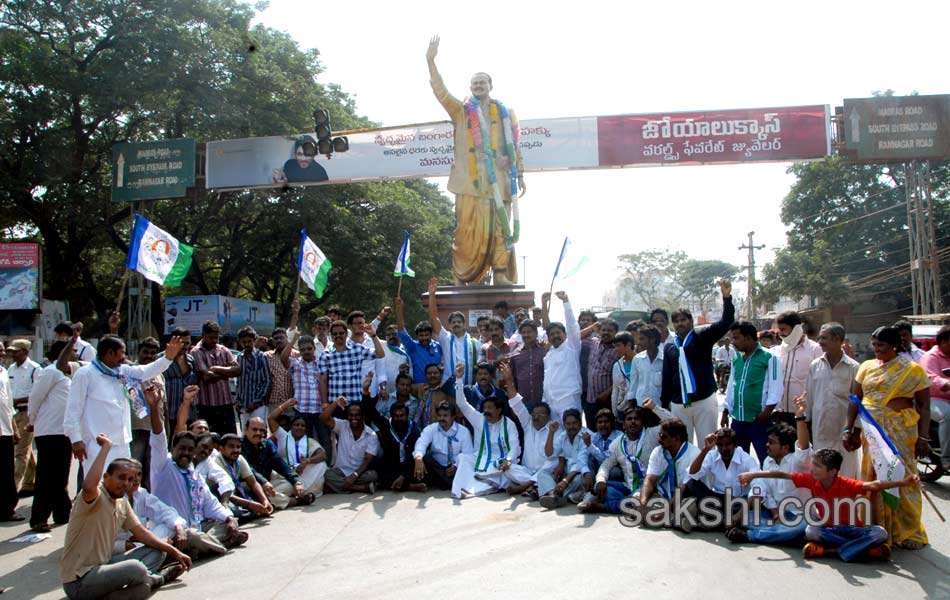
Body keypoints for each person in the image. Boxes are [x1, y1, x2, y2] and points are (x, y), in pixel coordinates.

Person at [427, 35, 525, 285]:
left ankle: (501, 275)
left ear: (490, 85)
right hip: (468, 184)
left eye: (482, 82)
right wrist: (431, 61)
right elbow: (441, 92)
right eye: (474, 83)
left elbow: (514, 147)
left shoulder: (504, 113)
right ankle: (461, 277)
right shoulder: (461, 111)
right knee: (465, 231)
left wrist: (520, 174)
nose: (478, 86)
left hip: (500, 183)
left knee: (501, 229)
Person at [60, 434, 191, 600]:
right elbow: (87, 485)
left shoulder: (121, 502)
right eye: (120, 478)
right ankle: (156, 579)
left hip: (105, 567)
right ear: (107, 477)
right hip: (80, 580)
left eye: (130, 479)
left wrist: (174, 551)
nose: (126, 483)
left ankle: (132, 587)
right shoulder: (95, 496)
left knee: (157, 551)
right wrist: (106, 447)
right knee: (136, 569)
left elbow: (142, 534)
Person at [738, 448, 920, 562]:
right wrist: (754, 475)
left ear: (832, 471)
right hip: (828, 530)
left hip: (849, 529)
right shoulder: (812, 480)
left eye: (818, 466)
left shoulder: (846, 483)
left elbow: (874, 485)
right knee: (811, 531)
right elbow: (781, 475)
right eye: (814, 465)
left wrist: (904, 483)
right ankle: (861, 550)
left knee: (880, 532)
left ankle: (832, 551)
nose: (813, 469)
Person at [843, 325, 930, 550]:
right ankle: (875, 527)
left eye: (880, 345)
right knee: (872, 476)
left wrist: (924, 438)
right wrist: (849, 428)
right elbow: (855, 399)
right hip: (872, 432)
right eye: (874, 345)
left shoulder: (913, 370)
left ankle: (908, 531)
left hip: (900, 431)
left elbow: (923, 405)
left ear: (895, 345)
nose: (876, 349)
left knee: (903, 478)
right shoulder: (866, 367)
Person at [146, 384, 247, 553]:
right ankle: (218, 547)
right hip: (173, 530)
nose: (185, 453)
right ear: (173, 449)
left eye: (189, 450)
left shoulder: (194, 475)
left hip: (198, 527)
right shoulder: (164, 465)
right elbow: (158, 438)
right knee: (193, 535)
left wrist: (229, 518)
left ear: (194, 453)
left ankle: (202, 548)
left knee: (225, 520)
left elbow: (211, 504)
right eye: (182, 449)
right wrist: (154, 407)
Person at [64, 334, 182, 477]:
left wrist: (167, 358)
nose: (124, 357)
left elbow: (145, 371)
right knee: (97, 488)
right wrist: (76, 440)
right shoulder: (85, 374)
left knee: (122, 489)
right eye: (122, 353)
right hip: (97, 444)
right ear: (110, 353)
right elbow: (72, 410)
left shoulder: (122, 371)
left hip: (122, 443)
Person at [726, 397, 812, 545]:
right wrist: (775, 513)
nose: (766, 445)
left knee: (802, 527)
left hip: (798, 515)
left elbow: (803, 447)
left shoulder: (797, 461)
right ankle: (779, 534)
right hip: (775, 514)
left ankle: (753, 536)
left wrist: (800, 416)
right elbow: (766, 493)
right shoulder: (768, 461)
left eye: (771, 443)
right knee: (748, 516)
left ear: (785, 447)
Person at [661, 279, 734, 446]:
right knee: (682, 446)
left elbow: (726, 322)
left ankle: (708, 474)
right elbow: (667, 377)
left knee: (707, 445)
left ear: (691, 322)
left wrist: (727, 297)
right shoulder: (670, 347)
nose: (680, 324)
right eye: (676, 321)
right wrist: (665, 405)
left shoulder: (703, 336)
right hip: (679, 403)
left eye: (683, 320)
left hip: (704, 400)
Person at [580, 400, 671, 514]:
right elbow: (606, 465)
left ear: (642, 423)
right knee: (599, 488)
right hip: (628, 486)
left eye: (636, 419)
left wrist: (654, 408)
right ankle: (631, 505)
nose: (633, 422)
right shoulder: (617, 443)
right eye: (629, 419)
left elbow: (673, 422)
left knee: (636, 500)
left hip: (650, 486)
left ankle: (604, 507)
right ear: (623, 425)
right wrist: (600, 481)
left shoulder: (652, 435)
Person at [451, 368, 525, 498]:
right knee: (464, 458)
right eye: (485, 408)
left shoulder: (509, 424)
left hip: (501, 462)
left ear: (499, 410)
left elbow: (514, 446)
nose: (486, 411)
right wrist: (458, 379)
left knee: (507, 471)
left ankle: (473, 491)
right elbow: (462, 403)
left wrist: (508, 460)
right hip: (482, 458)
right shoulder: (479, 419)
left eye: (490, 408)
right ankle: (460, 490)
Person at [28, 340, 76, 531]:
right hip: (49, 431)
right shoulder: (50, 372)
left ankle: (62, 513)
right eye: (72, 352)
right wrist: (32, 421)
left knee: (60, 476)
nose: (74, 356)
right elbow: (36, 397)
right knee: (47, 477)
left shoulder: (68, 375)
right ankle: (39, 518)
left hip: (63, 432)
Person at [720, 321, 782, 464]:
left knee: (766, 460)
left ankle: (766, 486)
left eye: (736, 338)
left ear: (747, 338)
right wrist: (725, 410)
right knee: (738, 461)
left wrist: (767, 412)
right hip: (738, 420)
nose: (733, 342)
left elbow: (776, 387)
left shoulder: (769, 357)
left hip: (759, 420)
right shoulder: (737, 359)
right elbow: (731, 386)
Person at [804, 322, 861, 478]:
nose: (820, 342)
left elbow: (858, 402)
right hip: (820, 430)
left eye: (824, 338)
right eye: (819, 338)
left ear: (837, 340)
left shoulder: (854, 368)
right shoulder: (815, 366)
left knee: (845, 473)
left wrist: (856, 432)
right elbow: (808, 397)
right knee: (821, 472)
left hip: (844, 433)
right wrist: (806, 425)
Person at [500, 362, 558, 498]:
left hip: (544, 472)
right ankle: (533, 485)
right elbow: (516, 403)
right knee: (508, 468)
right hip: (526, 472)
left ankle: (525, 487)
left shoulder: (554, 429)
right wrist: (509, 380)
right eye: (534, 414)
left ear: (548, 417)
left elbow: (553, 458)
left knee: (552, 464)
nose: (535, 417)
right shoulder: (528, 423)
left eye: (540, 415)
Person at [683, 428, 759, 531]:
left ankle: (708, 520)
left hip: (737, 502)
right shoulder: (712, 455)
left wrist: (741, 512)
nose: (724, 448)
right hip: (716, 500)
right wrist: (705, 449)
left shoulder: (746, 460)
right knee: (691, 483)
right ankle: (715, 520)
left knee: (752, 507)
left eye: (728, 444)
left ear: (734, 444)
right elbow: (693, 473)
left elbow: (758, 487)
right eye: (720, 445)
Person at [360, 377, 425, 492]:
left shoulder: (413, 429)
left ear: (407, 415)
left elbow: (413, 457)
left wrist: (403, 476)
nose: (399, 418)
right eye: (396, 416)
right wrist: (366, 391)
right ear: (391, 416)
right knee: (376, 467)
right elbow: (370, 410)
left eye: (402, 415)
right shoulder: (386, 425)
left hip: (407, 465)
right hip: (390, 465)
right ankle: (408, 486)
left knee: (420, 467)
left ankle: (401, 483)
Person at [636, 418, 701, 530]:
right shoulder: (658, 451)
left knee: (690, 505)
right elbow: (650, 480)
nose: (659, 440)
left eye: (663, 436)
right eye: (660, 435)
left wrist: (665, 512)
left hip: (684, 497)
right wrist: (643, 503)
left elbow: (685, 488)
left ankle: (668, 518)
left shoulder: (694, 454)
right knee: (637, 498)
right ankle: (674, 520)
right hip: (664, 498)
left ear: (676, 438)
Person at [242, 416, 314, 508]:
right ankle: (294, 501)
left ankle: (268, 500)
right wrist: (263, 482)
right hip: (248, 485)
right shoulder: (239, 446)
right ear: (246, 429)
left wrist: (296, 482)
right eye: (254, 429)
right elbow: (249, 470)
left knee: (291, 485)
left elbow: (280, 463)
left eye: (261, 430)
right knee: (256, 493)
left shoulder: (267, 444)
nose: (258, 433)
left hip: (267, 483)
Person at [771, 311, 823, 426]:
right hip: (780, 413)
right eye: (779, 330)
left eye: (784, 329)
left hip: (804, 414)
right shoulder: (778, 351)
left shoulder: (815, 350)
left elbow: (820, 383)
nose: (781, 334)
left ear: (796, 328)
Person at [267, 399, 328, 497]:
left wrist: (307, 461)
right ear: (291, 427)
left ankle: (300, 491)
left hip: (303, 473)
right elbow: (271, 419)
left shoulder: (309, 442)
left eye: (303, 426)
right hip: (286, 473)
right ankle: (301, 493)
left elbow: (323, 455)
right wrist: (285, 405)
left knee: (321, 464)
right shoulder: (283, 436)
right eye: (297, 425)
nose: (300, 427)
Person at [190, 320, 241, 434]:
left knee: (229, 437)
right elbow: (207, 377)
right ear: (203, 335)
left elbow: (237, 370)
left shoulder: (223, 349)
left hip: (225, 403)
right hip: (206, 405)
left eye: (216, 338)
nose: (214, 341)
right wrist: (227, 372)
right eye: (211, 337)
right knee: (208, 440)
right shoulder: (196, 352)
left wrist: (217, 368)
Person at [319, 320, 385, 408]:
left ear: (346, 334)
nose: (338, 335)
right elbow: (323, 381)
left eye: (341, 333)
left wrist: (373, 335)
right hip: (335, 403)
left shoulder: (357, 349)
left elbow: (380, 354)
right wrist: (325, 403)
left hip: (355, 402)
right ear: (331, 336)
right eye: (335, 334)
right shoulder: (325, 354)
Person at [320, 397, 380, 493]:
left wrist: (354, 475)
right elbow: (323, 418)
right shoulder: (342, 425)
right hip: (341, 471)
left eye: (357, 415)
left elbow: (367, 461)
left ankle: (338, 487)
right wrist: (335, 403)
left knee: (373, 475)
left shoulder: (371, 435)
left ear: (362, 416)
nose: (353, 418)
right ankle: (361, 488)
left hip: (359, 473)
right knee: (327, 475)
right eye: (350, 415)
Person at [427, 278, 479, 386]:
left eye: (459, 322)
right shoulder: (445, 338)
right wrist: (432, 295)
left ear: (464, 324)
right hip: (449, 387)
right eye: (453, 322)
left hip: (469, 387)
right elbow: (433, 317)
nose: (456, 324)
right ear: (449, 325)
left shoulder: (475, 343)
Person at [130, 337, 165, 492]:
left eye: (153, 353)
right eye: (145, 352)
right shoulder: (131, 373)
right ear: (139, 353)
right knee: (134, 468)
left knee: (152, 472)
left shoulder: (159, 375)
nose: (148, 356)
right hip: (137, 429)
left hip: (155, 430)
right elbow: (134, 400)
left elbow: (163, 405)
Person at [281, 330, 327, 447]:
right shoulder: (295, 363)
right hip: (301, 409)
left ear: (314, 348)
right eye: (302, 350)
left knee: (324, 440)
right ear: (299, 351)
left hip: (319, 409)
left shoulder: (321, 363)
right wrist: (293, 340)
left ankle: (325, 465)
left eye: (309, 349)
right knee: (304, 441)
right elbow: (283, 357)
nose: (306, 352)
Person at [541, 291, 582, 425]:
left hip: (568, 399)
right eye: (551, 334)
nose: (555, 336)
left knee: (573, 435)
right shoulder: (549, 354)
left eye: (558, 333)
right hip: (551, 402)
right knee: (557, 440)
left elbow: (572, 326)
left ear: (565, 334)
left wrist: (566, 302)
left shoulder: (571, 347)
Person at [539, 409, 593, 509]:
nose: (571, 427)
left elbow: (581, 462)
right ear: (564, 424)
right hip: (567, 474)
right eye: (568, 424)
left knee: (578, 480)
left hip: (582, 473)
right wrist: (551, 433)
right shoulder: (563, 436)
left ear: (580, 422)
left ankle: (556, 496)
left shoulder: (587, 435)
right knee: (543, 473)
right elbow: (549, 454)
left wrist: (565, 481)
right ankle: (554, 494)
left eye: (574, 423)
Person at [413, 401, 473, 490]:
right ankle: (449, 483)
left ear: (453, 417)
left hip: (455, 468)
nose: (441, 418)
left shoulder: (463, 431)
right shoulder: (431, 428)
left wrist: (456, 466)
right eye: (439, 415)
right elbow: (421, 443)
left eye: (445, 416)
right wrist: (418, 458)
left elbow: (468, 454)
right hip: (436, 467)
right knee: (423, 457)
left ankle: (444, 482)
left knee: (466, 466)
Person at [214, 433, 274, 520]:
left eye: (238, 447)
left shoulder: (239, 458)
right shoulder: (216, 462)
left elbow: (253, 483)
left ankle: (257, 510)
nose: (235, 450)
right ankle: (252, 512)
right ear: (221, 449)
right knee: (232, 510)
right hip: (222, 497)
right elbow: (226, 494)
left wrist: (265, 500)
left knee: (263, 497)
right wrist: (249, 504)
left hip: (237, 492)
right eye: (231, 447)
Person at [7, 339, 39, 497]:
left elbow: (38, 395)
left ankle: (11, 490)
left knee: (20, 453)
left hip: (28, 412)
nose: (12, 354)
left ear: (25, 351)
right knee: (25, 450)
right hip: (12, 414)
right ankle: (30, 482)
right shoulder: (11, 369)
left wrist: (18, 400)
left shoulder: (35, 369)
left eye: (16, 351)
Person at [920, 325, 950, 469]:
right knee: (948, 415)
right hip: (933, 399)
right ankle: (947, 457)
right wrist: (945, 383)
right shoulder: (931, 356)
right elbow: (930, 376)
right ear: (944, 342)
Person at [395, 296, 442, 385]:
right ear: (417, 336)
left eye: (426, 335)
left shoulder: (438, 346)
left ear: (431, 335)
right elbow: (401, 330)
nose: (424, 338)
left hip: (437, 387)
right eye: (421, 335)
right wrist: (399, 309)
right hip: (419, 388)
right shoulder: (412, 347)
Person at [235, 325, 272, 430]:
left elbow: (267, 381)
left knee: (259, 432)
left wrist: (256, 402)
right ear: (240, 342)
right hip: (243, 405)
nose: (247, 344)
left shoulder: (261, 356)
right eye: (244, 342)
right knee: (245, 434)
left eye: (249, 341)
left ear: (254, 340)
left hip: (258, 405)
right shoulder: (239, 357)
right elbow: (239, 381)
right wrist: (237, 400)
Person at [0, 342, 21, 521]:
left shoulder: (4, 373)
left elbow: (8, 405)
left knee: (7, 471)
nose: (2, 354)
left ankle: (7, 509)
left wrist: (14, 429)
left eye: (2, 351)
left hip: (5, 430)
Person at [586, 318, 619, 428]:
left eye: (609, 330)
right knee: (592, 430)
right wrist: (592, 328)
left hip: (607, 400)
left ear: (615, 332)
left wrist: (607, 393)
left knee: (607, 430)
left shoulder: (618, 350)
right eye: (603, 330)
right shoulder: (593, 342)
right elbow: (574, 337)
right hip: (591, 399)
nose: (606, 333)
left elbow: (621, 377)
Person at [163, 327, 197, 435]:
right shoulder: (161, 359)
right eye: (182, 343)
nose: (185, 347)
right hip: (167, 413)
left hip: (187, 414)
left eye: (188, 343)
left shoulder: (191, 360)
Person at [626, 324, 666, 413]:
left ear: (652, 340)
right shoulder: (638, 359)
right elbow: (633, 384)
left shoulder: (665, 359)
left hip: (659, 406)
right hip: (641, 404)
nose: (638, 342)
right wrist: (630, 403)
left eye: (642, 339)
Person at [508, 318, 546, 409]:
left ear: (536, 333)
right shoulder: (515, 354)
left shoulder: (544, 350)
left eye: (529, 332)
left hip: (543, 400)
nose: (526, 335)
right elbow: (512, 379)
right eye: (523, 332)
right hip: (523, 402)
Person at [265, 326, 297, 413]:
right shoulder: (267, 356)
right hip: (273, 402)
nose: (279, 340)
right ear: (273, 341)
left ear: (287, 339)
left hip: (291, 401)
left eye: (281, 338)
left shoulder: (297, 355)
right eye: (276, 338)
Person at [584, 408, 622, 476]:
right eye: (600, 422)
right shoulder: (594, 436)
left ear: (612, 423)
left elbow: (608, 461)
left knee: (614, 472)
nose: (603, 425)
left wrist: (590, 446)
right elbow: (585, 456)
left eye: (606, 422)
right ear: (596, 425)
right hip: (598, 468)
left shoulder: (619, 436)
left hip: (613, 467)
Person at [611, 331, 636, 421]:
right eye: (615, 346)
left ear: (628, 345)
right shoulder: (617, 366)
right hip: (622, 408)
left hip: (638, 407)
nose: (616, 349)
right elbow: (615, 390)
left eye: (618, 345)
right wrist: (614, 412)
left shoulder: (641, 361)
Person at [382, 324, 412, 392]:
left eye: (394, 334)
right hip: (387, 391)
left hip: (405, 390)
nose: (391, 336)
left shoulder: (407, 348)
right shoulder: (382, 346)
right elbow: (369, 334)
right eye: (388, 335)